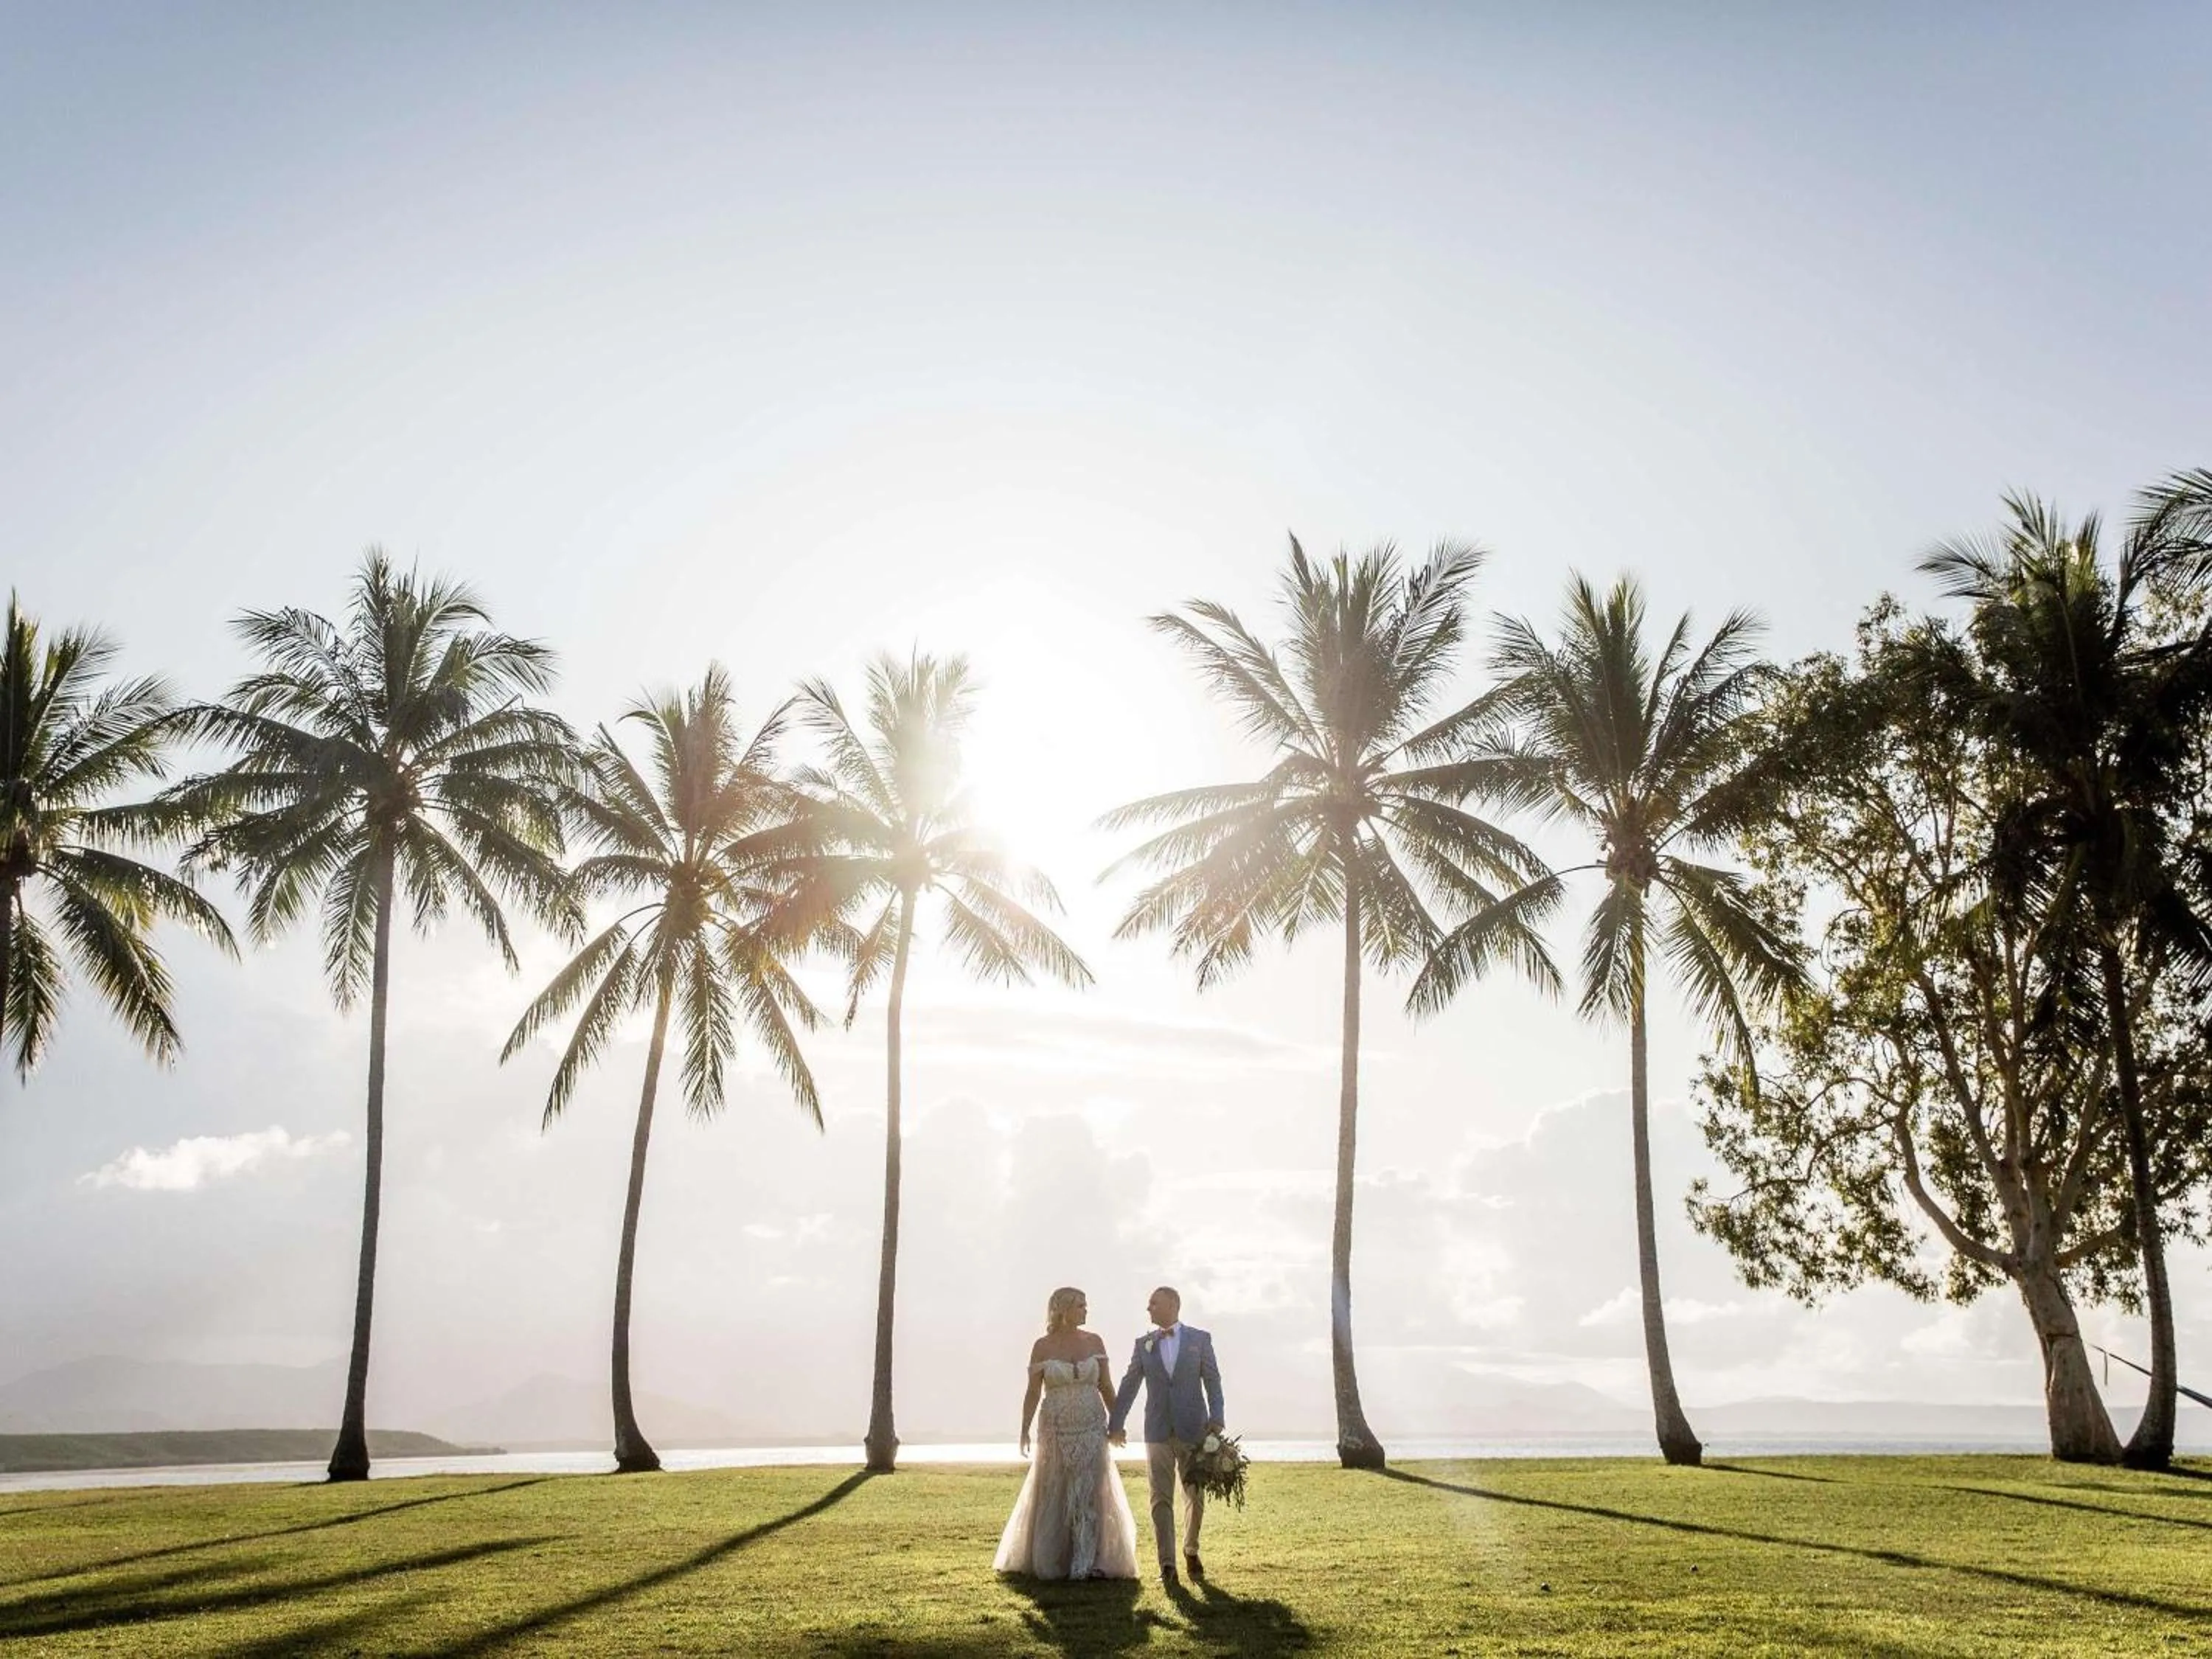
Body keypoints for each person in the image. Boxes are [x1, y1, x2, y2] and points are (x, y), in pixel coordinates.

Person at [992, 1286, 1140, 1580]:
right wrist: (1024, 1428)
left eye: (1086, 1306)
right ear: (1063, 1309)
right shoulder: (1042, 1346)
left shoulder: (1095, 1341)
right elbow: (1033, 1391)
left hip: (1090, 1425)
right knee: (1055, 1488)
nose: (1086, 1310)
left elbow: (1107, 1387)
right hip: (1056, 1427)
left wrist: (1118, 1423)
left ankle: (1088, 1562)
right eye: (1080, 1306)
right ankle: (1057, 1558)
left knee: (1089, 1490)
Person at [1106, 1285, 1225, 1589]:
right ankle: (1167, 1565)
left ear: (1172, 1305)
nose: (1149, 1309)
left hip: (1193, 1429)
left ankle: (1191, 1549)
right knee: (1160, 1498)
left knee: (1194, 1496)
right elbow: (1130, 1384)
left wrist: (1217, 1418)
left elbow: (1212, 1379)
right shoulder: (1143, 1344)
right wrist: (1115, 1423)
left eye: (1154, 1303)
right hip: (1157, 1430)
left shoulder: (1200, 1340)